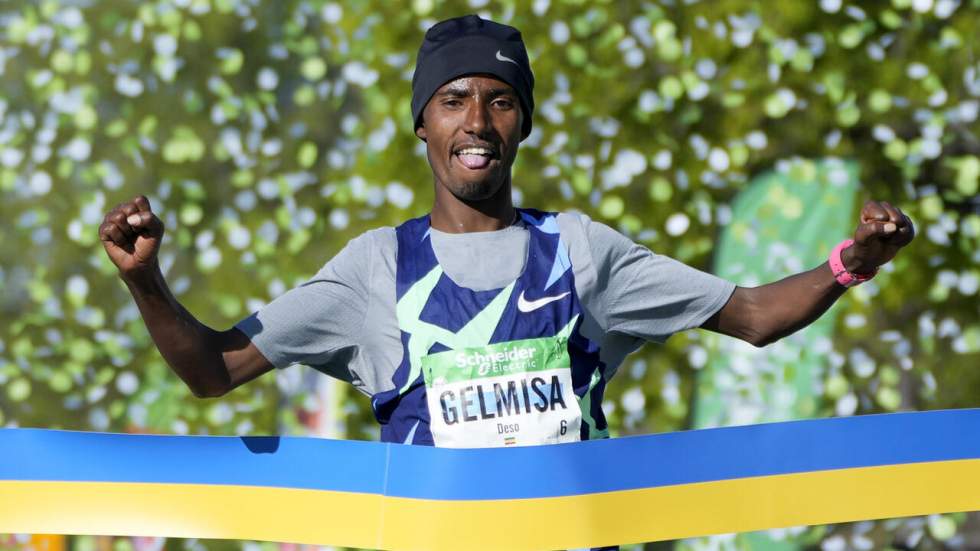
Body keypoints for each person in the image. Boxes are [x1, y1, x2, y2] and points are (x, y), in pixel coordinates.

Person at [99, 15, 915, 449]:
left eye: (500, 99)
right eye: (453, 99)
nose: (477, 120)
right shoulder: (376, 267)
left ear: (523, 122)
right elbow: (212, 371)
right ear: (422, 125)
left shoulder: (582, 251)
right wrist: (146, 280)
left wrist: (852, 263)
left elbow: (755, 316)